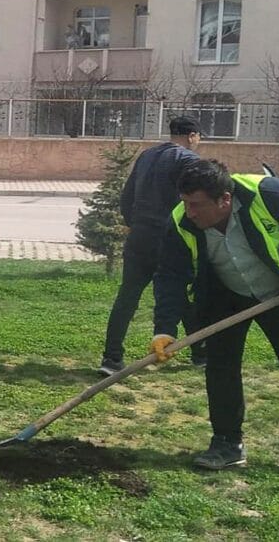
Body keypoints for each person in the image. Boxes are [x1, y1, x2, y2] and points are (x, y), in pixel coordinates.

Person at [150, 159, 279, 485]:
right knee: (221, 366)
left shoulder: (267, 194)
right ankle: (227, 443)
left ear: (224, 199)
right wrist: (165, 328)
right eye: (186, 203)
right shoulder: (182, 221)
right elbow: (169, 276)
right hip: (225, 294)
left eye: (196, 204)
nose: (190, 212)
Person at [98, 116, 202, 376]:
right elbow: (197, 202)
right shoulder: (189, 161)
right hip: (169, 239)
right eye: (198, 138)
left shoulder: (147, 156)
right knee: (180, 292)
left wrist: (136, 224)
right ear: (192, 136)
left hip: (140, 236)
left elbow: (127, 198)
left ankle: (111, 359)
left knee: (128, 297)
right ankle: (201, 353)